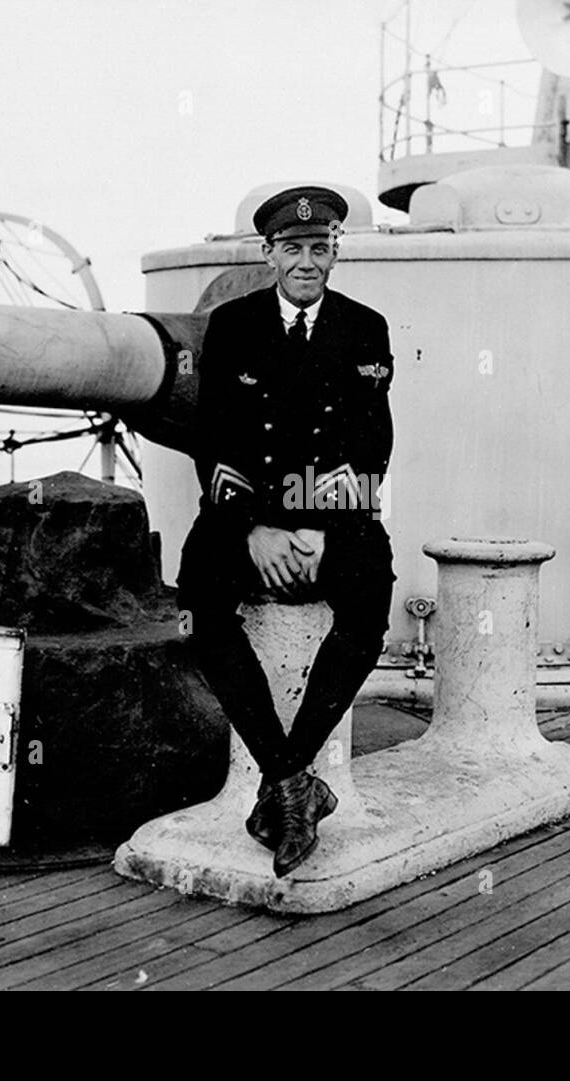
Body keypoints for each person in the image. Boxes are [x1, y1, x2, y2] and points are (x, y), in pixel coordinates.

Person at [177, 185, 396, 878]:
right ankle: (296, 780)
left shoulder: (366, 327)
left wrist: (326, 531)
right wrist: (256, 530)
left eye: (320, 248)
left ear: (335, 253)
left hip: (334, 515)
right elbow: (212, 437)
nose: (307, 261)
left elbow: (373, 443)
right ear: (270, 253)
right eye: (293, 249)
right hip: (250, 516)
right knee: (202, 611)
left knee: (368, 611)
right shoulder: (233, 324)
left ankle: (286, 777)